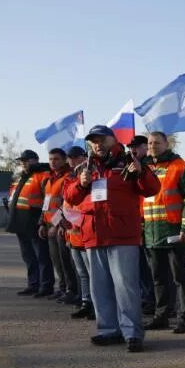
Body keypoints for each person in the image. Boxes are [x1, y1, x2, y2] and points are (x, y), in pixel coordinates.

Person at [64, 125, 160, 352]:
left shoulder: (129, 160)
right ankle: (109, 330)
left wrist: (141, 172)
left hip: (122, 233)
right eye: (93, 141)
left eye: (101, 139)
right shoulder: (83, 168)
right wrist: (82, 183)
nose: (97, 144)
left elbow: (152, 189)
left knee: (126, 286)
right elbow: (69, 196)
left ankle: (132, 333)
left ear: (112, 140)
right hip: (94, 234)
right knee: (100, 288)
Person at [142, 131, 185, 334]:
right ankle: (162, 317)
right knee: (158, 278)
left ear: (167, 144)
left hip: (173, 232)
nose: (152, 146)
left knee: (179, 278)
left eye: (157, 143)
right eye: (150, 143)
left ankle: (184, 319)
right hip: (151, 233)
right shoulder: (145, 168)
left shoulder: (182, 167)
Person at [6, 149, 54, 297]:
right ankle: (33, 284)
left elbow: (48, 198)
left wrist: (44, 221)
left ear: (35, 160)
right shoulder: (21, 177)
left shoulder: (43, 174)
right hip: (19, 221)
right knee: (28, 256)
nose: (23, 163)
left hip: (34, 220)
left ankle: (45, 286)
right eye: (22, 161)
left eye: (26, 160)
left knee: (42, 256)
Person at [40, 147, 80, 304]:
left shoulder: (66, 178)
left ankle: (72, 290)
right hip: (50, 225)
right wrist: (42, 223)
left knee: (67, 261)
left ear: (64, 160)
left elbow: (65, 205)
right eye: (50, 159)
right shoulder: (49, 179)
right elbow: (46, 205)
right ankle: (63, 288)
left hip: (61, 225)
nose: (53, 162)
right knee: (57, 261)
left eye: (56, 159)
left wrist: (56, 225)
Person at [62, 145, 94, 320]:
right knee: (82, 273)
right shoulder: (70, 178)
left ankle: (95, 305)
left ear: (84, 158)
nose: (72, 161)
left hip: (87, 235)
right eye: (70, 157)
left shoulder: (92, 177)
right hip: (73, 234)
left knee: (93, 274)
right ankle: (85, 302)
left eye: (75, 157)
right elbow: (67, 202)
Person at [129, 135, 157, 315]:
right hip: (138, 223)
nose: (132, 150)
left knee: (153, 268)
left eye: (136, 147)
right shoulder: (131, 167)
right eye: (131, 147)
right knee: (141, 266)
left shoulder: (150, 166)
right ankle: (146, 298)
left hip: (153, 223)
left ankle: (154, 301)